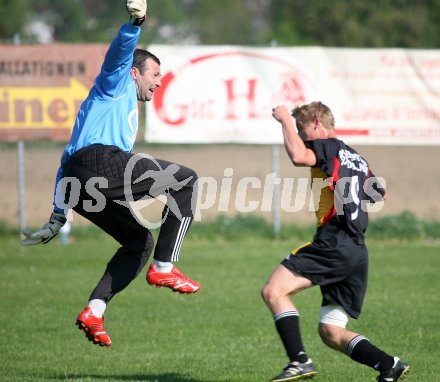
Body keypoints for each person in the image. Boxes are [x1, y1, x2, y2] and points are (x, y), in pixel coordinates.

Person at [21, 0, 200, 348]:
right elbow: (120, 53)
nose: (159, 82)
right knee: (186, 179)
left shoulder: (111, 107)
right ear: (135, 72)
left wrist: (59, 213)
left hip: (79, 178)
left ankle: (94, 310)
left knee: (138, 241)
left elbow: (67, 160)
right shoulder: (116, 82)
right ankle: (164, 267)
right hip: (101, 162)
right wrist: (135, 23)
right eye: (155, 74)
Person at [261, 102, 410, 382]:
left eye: (302, 127)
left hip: (335, 240)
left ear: (317, 123)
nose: (301, 135)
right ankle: (388, 364)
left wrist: (283, 120)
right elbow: (380, 193)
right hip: (356, 249)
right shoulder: (356, 157)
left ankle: (299, 361)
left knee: (273, 291)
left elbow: (297, 155)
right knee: (331, 330)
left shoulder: (327, 146)